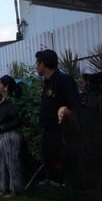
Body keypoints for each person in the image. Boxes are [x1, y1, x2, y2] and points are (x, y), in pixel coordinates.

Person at [35, 49, 80, 187]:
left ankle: (66, 183)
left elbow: (75, 105)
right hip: (48, 128)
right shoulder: (47, 83)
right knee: (47, 155)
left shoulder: (63, 80)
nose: (36, 66)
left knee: (61, 158)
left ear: (43, 64)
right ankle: (52, 179)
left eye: (37, 63)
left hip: (60, 130)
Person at [0, 75, 23, 197]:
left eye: (0, 84)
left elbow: (17, 119)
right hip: (0, 135)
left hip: (10, 134)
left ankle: (15, 189)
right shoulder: (0, 101)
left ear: (6, 87)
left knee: (11, 162)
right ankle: (4, 187)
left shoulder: (12, 101)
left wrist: (3, 127)